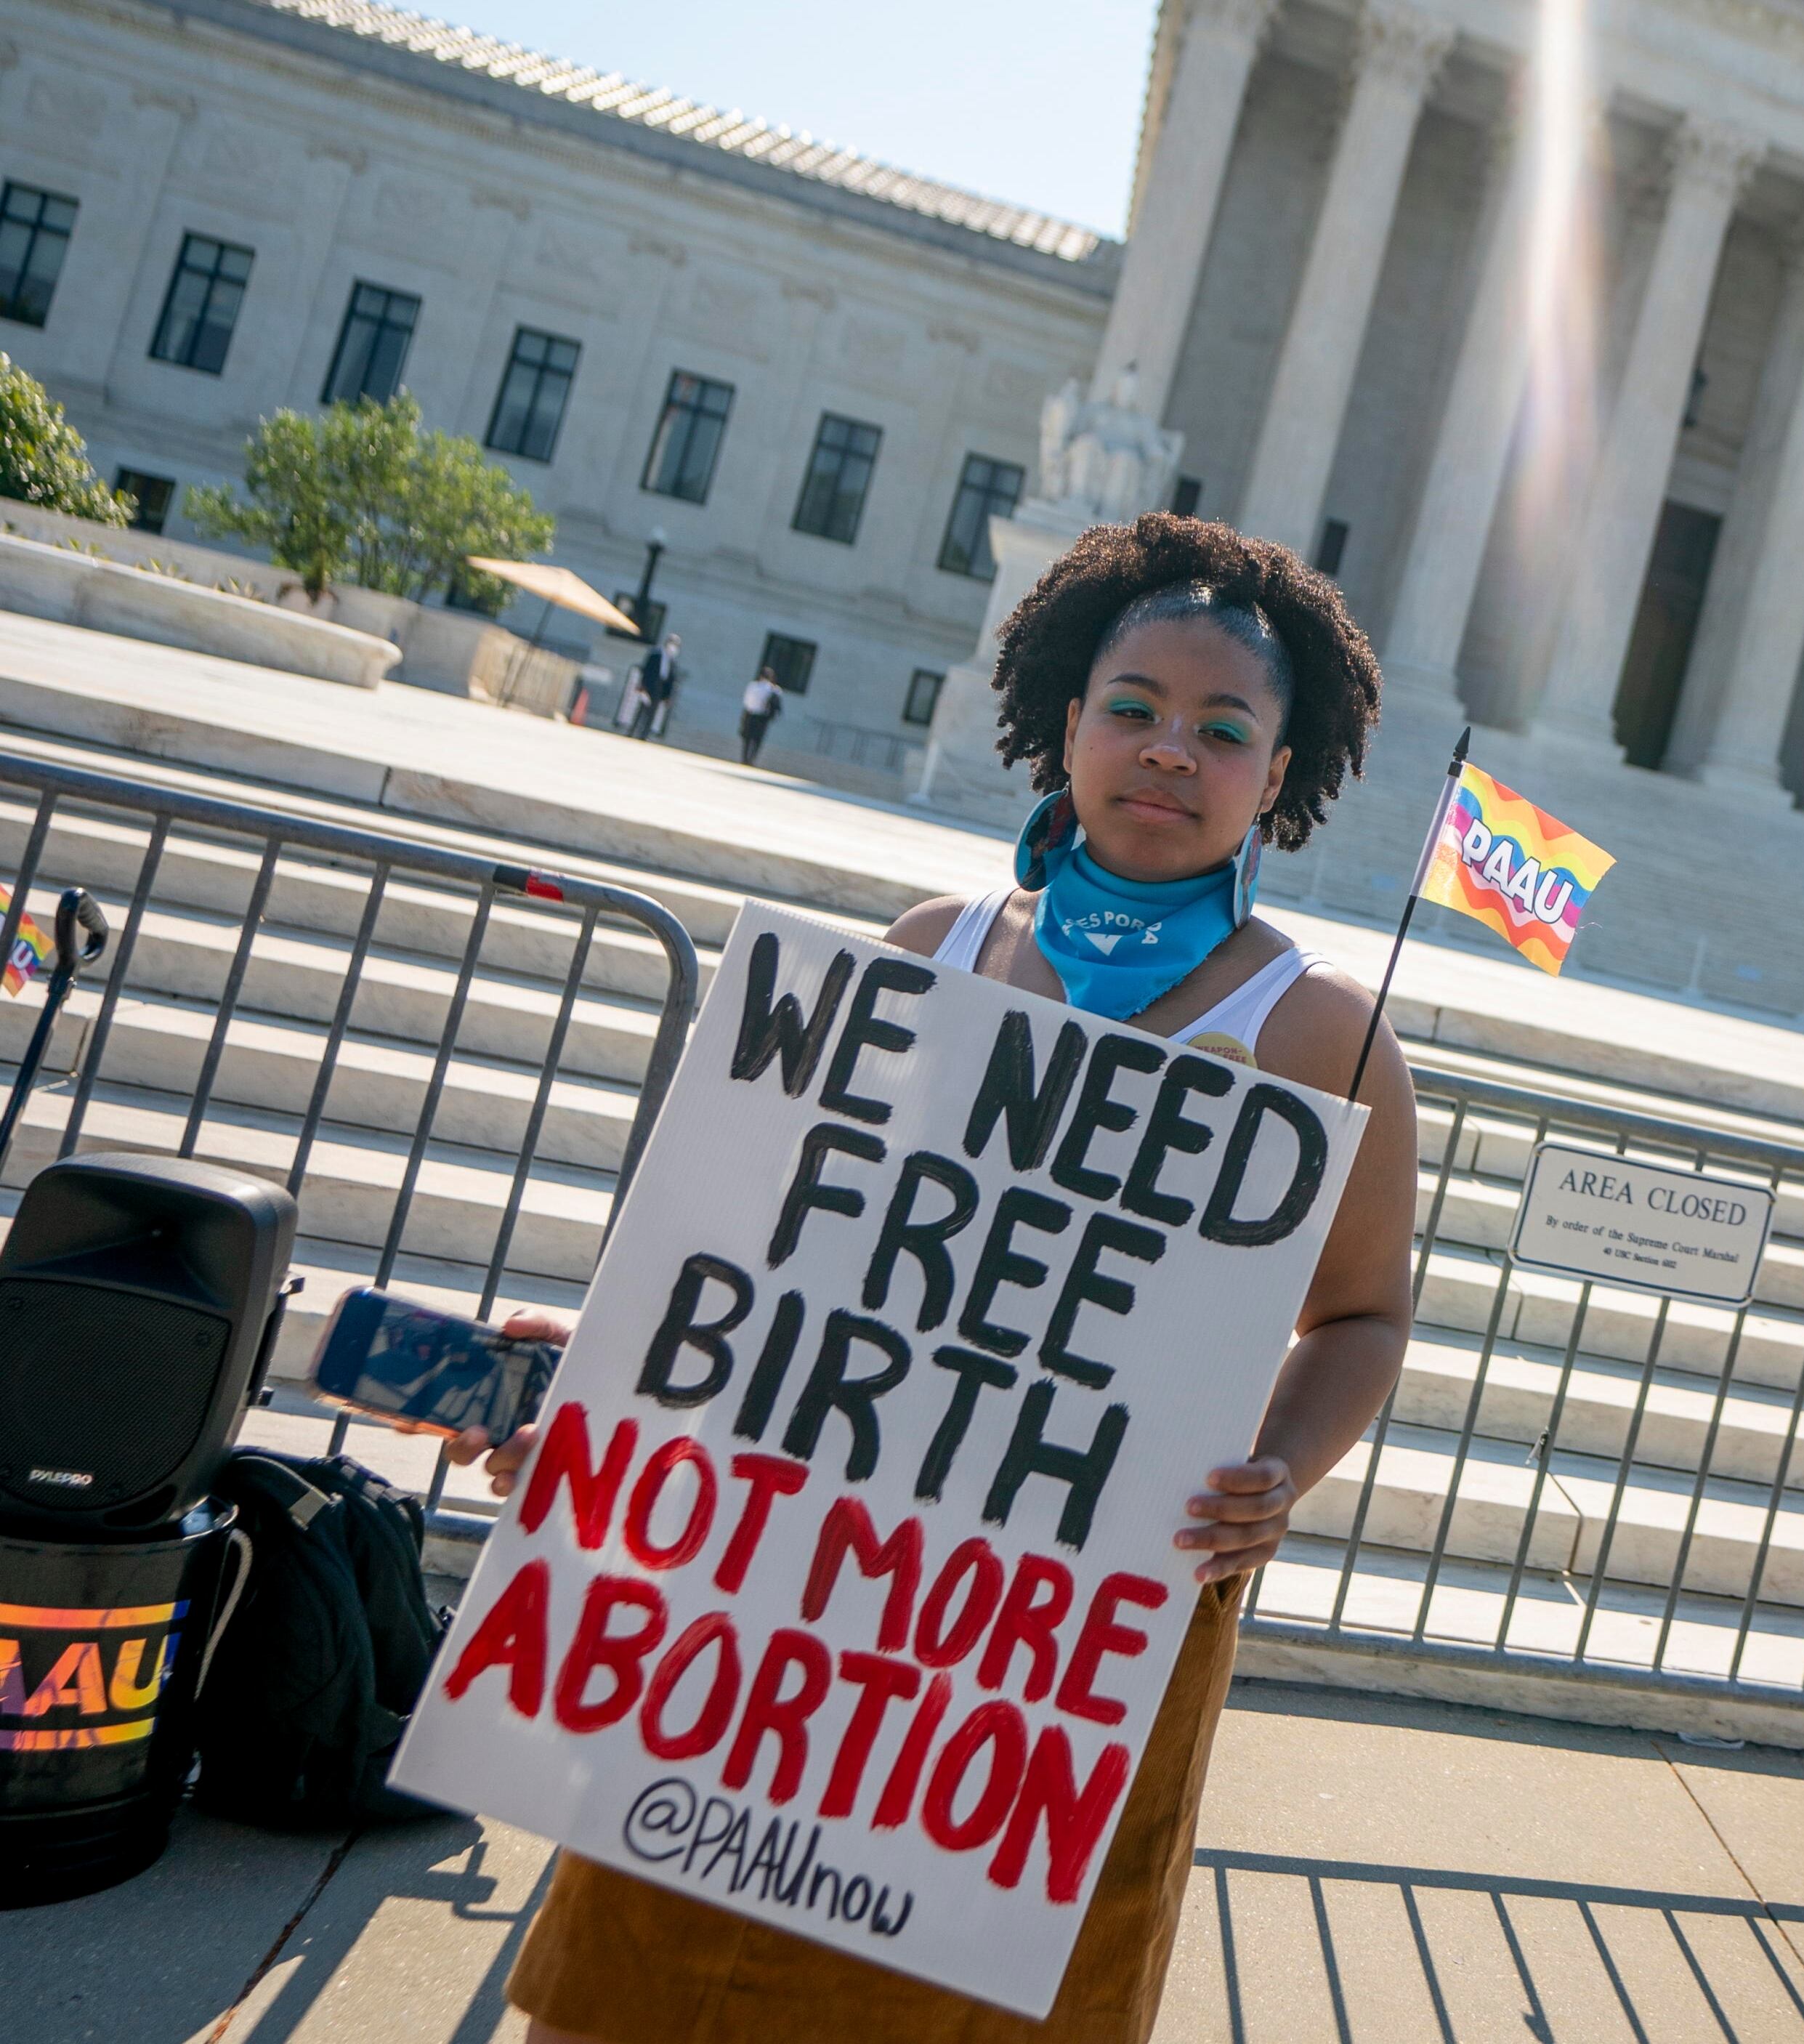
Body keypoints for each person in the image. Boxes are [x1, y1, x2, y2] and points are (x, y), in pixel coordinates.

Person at [450, 512, 1421, 2044]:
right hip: (797, 1578)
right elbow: (775, 1240)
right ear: (1065, 723)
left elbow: (1365, 1315)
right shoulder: (931, 945)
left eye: (1223, 728)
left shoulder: (1321, 1032)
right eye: (1134, 709)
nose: (1171, 750)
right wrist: (618, 1360)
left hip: (1057, 1639)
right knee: (652, 1973)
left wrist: (1281, 1466)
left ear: (1278, 776)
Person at [623, 632, 682, 740]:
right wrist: (643, 684)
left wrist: (667, 696)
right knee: (641, 710)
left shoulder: (672, 661)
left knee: (652, 713)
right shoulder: (655, 655)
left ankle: (644, 735)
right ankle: (632, 731)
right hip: (649, 686)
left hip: (660, 689)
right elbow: (647, 670)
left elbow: (670, 679)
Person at [737, 664, 783, 765]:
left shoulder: (753, 686)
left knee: (747, 738)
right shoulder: (774, 689)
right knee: (757, 740)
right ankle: (752, 759)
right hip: (763, 717)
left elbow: (746, 701)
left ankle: (744, 758)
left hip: (751, 713)